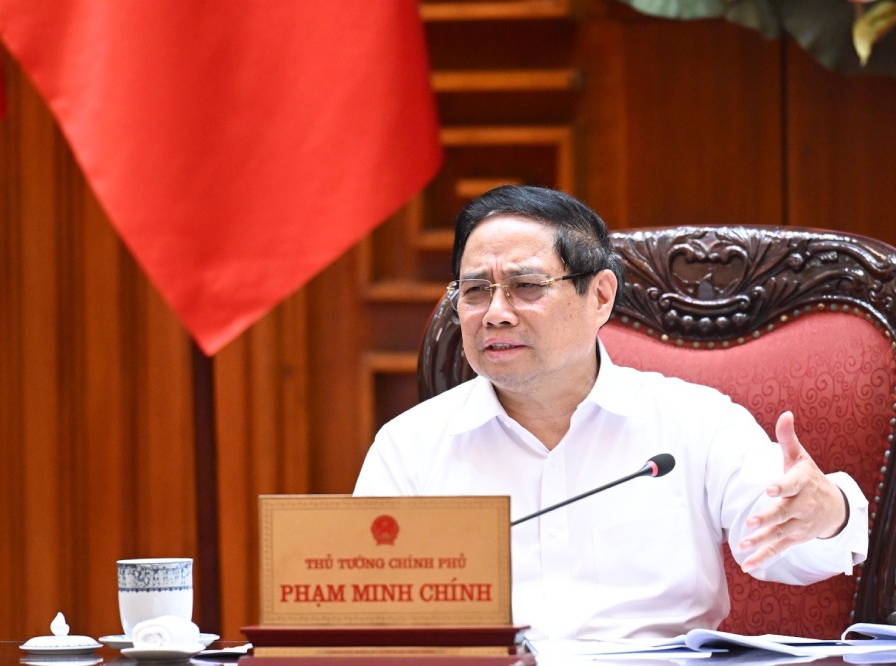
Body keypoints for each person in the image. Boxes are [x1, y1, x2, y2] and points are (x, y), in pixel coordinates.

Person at [353, 185, 868, 640]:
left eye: (526, 286)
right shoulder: (410, 448)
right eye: (475, 291)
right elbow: (369, 615)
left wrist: (827, 511)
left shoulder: (694, 424)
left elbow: (790, 552)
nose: (496, 313)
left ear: (599, 296)